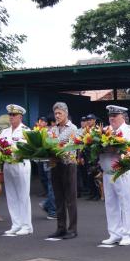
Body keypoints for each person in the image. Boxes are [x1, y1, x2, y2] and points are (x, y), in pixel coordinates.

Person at [99, 105, 130, 246]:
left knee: (126, 204)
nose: (112, 118)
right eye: (110, 116)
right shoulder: (105, 130)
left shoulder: (129, 131)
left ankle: (128, 234)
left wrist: (116, 148)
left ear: (123, 116)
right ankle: (114, 233)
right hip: (107, 172)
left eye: (115, 116)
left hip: (122, 172)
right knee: (110, 204)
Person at [0, 104, 33, 235]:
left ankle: (26, 225)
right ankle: (16, 223)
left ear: (20, 116)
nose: (11, 117)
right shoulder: (5, 131)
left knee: (23, 195)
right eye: (10, 115)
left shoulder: (26, 131)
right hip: (8, 165)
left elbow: (29, 149)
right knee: (11, 195)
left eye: (14, 115)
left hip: (21, 164)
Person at [47, 102, 78, 239]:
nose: (57, 116)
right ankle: (61, 228)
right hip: (55, 165)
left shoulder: (72, 128)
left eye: (59, 113)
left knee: (70, 198)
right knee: (58, 198)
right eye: (56, 113)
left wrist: (54, 145)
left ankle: (72, 229)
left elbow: (64, 144)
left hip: (68, 164)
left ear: (66, 113)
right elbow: (48, 144)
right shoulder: (52, 129)